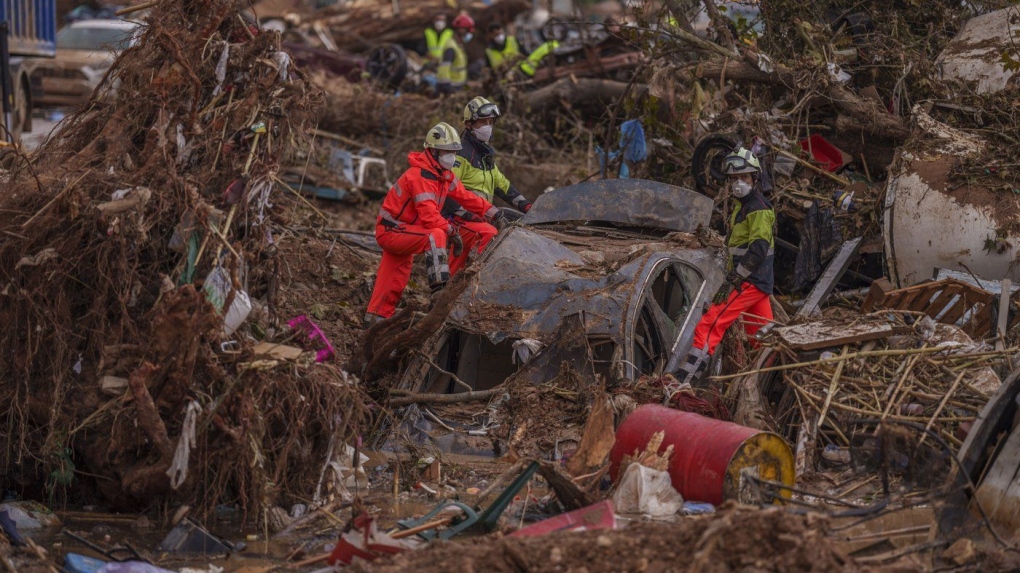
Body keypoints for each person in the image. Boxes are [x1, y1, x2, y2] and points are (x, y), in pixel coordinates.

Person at [364, 122, 507, 326]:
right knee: (435, 235)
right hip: (393, 231)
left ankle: (375, 318)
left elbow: (466, 197)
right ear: (432, 151)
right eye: (447, 152)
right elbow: (430, 218)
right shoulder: (420, 177)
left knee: (394, 278)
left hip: (402, 230)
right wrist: (452, 232)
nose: (452, 157)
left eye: (454, 152)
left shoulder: (443, 176)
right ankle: (439, 290)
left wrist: (494, 212)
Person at [678, 147, 775, 384]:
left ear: (755, 178)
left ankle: (683, 382)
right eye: (734, 179)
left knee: (710, 323)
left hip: (749, 280)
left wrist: (734, 279)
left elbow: (758, 250)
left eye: (744, 178)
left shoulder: (758, 208)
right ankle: (772, 381)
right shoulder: (743, 207)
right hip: (757, 282)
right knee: (763, 339)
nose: (738, 183)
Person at [444, 96, 531, 273]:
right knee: (489, 236)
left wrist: (527, 206)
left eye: (491, 122)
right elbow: (447, 191)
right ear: (469, 124)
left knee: (454, 270)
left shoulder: (485, 157)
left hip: (482, 216)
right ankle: (478, 278)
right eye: (483, 122)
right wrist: (469, 215)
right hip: (461, 219)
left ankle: (448, 290)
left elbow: (503, 186)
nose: (488, 127)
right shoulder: (461, 154)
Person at [436, 14, 474, 95]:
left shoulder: (458, 46)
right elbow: (443, 70)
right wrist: (447, 89)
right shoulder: (451, 47)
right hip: (451, 89)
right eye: (468, 30)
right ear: (461, 30)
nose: (469, 33)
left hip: (458, 87)